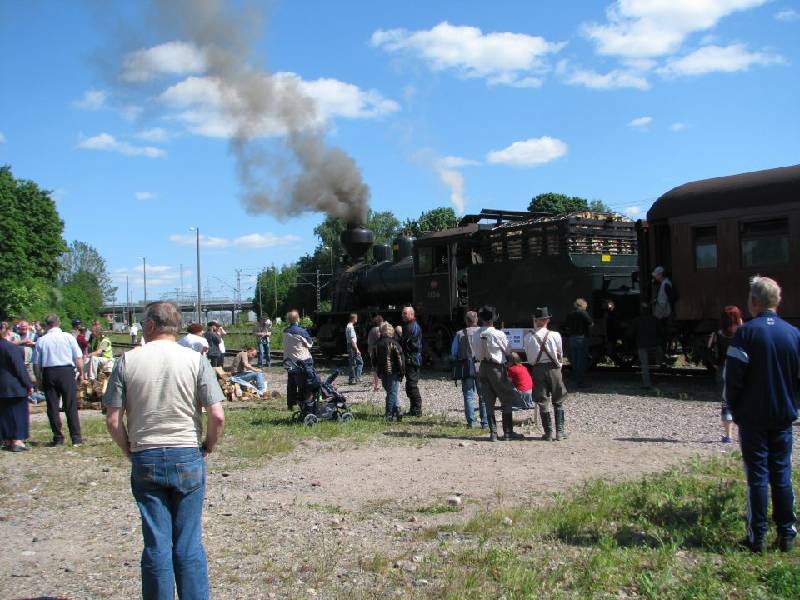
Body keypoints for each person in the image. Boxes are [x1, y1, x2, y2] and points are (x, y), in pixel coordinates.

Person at [103, 301, 226, 598]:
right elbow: (217, 415)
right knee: (189, 542)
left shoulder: (127, 361)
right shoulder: (195, 360)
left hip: (145, 454)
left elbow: (112, 420)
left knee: (156, 543)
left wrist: (129, 450)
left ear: (149, 325)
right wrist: (208, 446)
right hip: (187, 452)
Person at [724, 276, 799, 553]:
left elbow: (733, 378)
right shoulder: (793, 333)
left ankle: (757, 537)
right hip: (783, 415)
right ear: (777, 300)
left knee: (757, 476)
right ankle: (787, 534)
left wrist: (733, 408)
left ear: (754, 301)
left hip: (753, 416)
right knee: (782, 473)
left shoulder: (745, 334)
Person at [472, 306, 523, 442]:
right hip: (496, 368)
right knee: (506, 398)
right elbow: (508, 351)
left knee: (488, 400)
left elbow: (475, 352)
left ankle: (493, 433)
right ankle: (508, 432)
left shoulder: (476, 334)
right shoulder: (498, 334)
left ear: (482, 319)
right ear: (493, 319)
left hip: (482, 367)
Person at [35, 314, 84, 446]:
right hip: (66, 371)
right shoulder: (68, 337)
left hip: (49, 372)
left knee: (52, 406)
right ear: (59, 323)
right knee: (70, 405)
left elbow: (36, 363)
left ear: (46, 325)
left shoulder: (41, 340)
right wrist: (81, 374)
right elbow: (78, 358)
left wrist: (39, 379)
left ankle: (58, 438)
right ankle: (76, 438)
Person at [524, 307, 568, 441]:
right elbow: (560, 354)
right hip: (554, 369)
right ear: (547, 320)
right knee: (558, 399)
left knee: (542, 401)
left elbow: (529, 358)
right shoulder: (555, 335)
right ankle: (560, 432)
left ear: (535, 320)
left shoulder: (528, 337)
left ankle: (548, 433)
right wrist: (558, 366)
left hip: (537, 369)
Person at [708, 305, 743, 444]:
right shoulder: (743, 333)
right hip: (740, 368)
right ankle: (742, 435)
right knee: (743, 400)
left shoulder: (717, 334)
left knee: (726, 400)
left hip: (723, 368)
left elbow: (708, 350)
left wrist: (715, 363)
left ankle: (728, 436)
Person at [450, 311, 487, 428]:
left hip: (466, 367)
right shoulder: (484, 332)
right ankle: (485, 422)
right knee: (483, 396)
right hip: (481, 366)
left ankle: (472, 422)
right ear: (477, 320)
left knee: (468, 395)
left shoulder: (460, 334)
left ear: (466, 321)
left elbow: (454, 352)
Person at [0, 333, 33, 451]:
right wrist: (28, 384)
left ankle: (7, 439)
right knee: (18, 413)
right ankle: (17, 440)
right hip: (14, 386)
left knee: (4, 414)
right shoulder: (10, 347)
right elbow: (19, 368)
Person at [375, 321, 405, 421]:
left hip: (383, 372)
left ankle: (397, 410)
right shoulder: (395, 343)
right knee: (392, 393)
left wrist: (378, 371)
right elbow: (400, 359)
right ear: (391, 331)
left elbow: (374, 358)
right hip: (393, 371)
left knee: (390, 392)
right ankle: (389, 414)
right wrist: (402, 372)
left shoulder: (378, 344)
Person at [283, 310, 313, 410]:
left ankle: (290, 404)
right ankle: (305, 402)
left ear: (288, 320)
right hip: (302, 362)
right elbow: (310, 344)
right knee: (304, 383)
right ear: (298, 319)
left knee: (291, 383)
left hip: (289, 362)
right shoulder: (301, 331)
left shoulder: (285, 331)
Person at [399, 306, 423, 417]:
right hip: (411, 359)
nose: (402, 315)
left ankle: (417, 410)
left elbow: (404, 343)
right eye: (402, 313)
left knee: (412, 385)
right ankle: (413, 409)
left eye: (405, 313)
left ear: (412, 314)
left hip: (412, 360)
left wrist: (398, 334)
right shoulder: (410, 325)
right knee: (409, 385)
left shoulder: (411, 327)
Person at [630, 302, 661, 390]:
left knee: (644, 365)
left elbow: (630, 333)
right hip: (654, 345)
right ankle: (660, 368)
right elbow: (661, 332)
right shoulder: (655, 319)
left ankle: (647, 384)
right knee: (659, 361)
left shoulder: (636, 320)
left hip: (641, 345)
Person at [565, 298, 593, 388]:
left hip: (572, 338)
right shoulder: (583, 313)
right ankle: (580, 382)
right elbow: (591, 323)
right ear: (582, 305)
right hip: (581, 338)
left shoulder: (570, 314)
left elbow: (566, 326)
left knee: (574, 360)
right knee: (581, 360)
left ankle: (575, 378)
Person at [652, 266, 678, 361]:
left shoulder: (665, 284)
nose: (655, 277)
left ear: (660, 275)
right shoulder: (665, 283)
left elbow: (670, 299)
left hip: (664, 314)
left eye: (656, 275)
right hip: (664, 314)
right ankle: (664, 354)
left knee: (663, 335)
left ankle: (664, 354)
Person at [345, 313, 363, 384]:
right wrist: (357, 350)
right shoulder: (351, 327)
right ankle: (356, 378)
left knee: (352, 363)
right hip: (352, 346)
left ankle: (352, 379)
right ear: (353, 319)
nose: (357, 319)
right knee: (359, 362)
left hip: (350, 345)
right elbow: (352, 340)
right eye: (356, 318)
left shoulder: (348, 326)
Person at [367, 315, 384, 392]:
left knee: (374, 367)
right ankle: (377, 385)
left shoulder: (371, 330)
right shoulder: (379, 330)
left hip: (371, 350)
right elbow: (380, 341)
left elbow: (369, 341)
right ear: (380, 322)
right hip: (377, 351)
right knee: (379, 367)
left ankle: (376, 385)